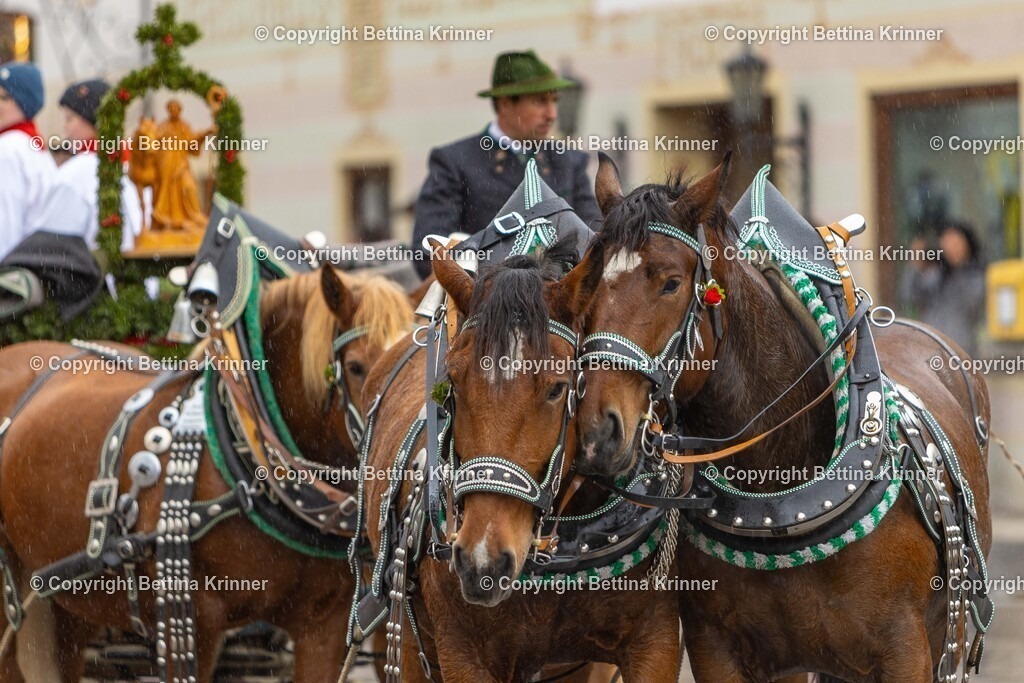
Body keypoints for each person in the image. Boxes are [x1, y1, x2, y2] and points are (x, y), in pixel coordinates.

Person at [410, 49, 601, 279]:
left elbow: (595, 239)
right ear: (505, 104)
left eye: (554, 101)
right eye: (540, 101)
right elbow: (429, 251)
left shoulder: (569, 161)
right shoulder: (454, 161)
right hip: (487, 304)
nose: (551, 114)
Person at [31, 78, 142, 251]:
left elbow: (51, 243)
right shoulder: (133, 163)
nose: (65, 128)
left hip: (92, 274)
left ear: (93, 119)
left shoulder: (79, 171)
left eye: (69, 118)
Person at [900, 221, 986, 357]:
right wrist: (915, 264)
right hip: (929, 347)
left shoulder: (976, 275)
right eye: (947, 242)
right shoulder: (935, 274)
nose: (951, 248)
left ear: (968, 245)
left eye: (956, 243)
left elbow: (973, 303)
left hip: (962, 351)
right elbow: (909, 295)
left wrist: (959, 267)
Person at [0, 61, 56, 259]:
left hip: (15, 266)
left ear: (23, 101)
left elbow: (5, 225)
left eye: (3, 98)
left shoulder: (7, 149)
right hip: (35, 260)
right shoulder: (31, 145)